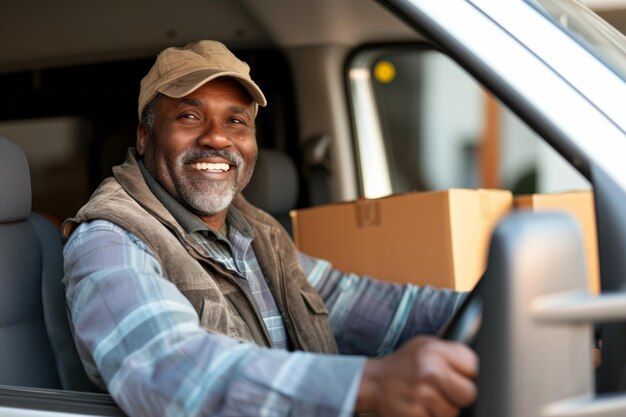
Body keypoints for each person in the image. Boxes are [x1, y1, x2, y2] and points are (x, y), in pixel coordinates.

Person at [61, 40, 478, 417]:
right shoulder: (109, 238)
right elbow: (170, 369)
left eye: (236, 121)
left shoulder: (256, 233)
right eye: (189, 116)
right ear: (145, 136)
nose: (218, 139)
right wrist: (367, 385)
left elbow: (369, 305)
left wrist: (493, 306)